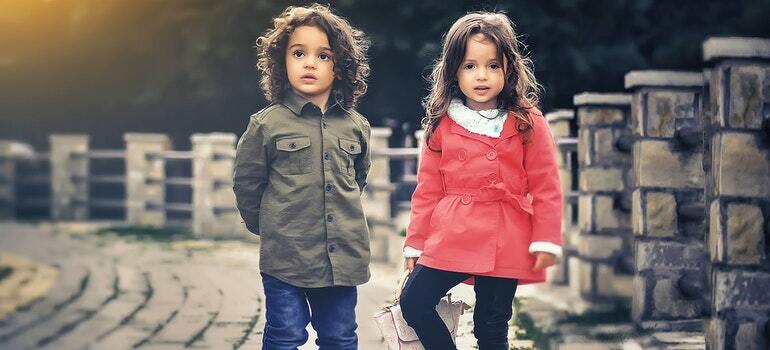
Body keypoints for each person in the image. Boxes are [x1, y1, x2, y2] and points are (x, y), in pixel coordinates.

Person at [399, 11, 563, 350]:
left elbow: (546, 183)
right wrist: (416, 243)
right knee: (413, 302)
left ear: (509, 68)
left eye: (493, 65)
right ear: (453, 70)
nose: (482, 76)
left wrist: (546, 239)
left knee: (491, 327)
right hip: (451, 232)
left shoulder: (526, 120)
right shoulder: (441, 123)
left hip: (506, 233)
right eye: (470, 66)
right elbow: (427, 189)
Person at [232, 4, 371, 349]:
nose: (310, 63)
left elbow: (358, 179)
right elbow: (247, 184)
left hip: (342, 260)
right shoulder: (266, 124)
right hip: (285, 258)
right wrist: (269, 226)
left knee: (340, 338)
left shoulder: (356, 126)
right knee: (285, 335)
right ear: (283, 62)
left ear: (341, 67)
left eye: (323, 56)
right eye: (299, 53)